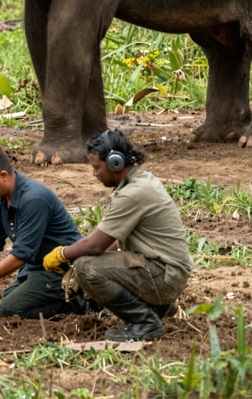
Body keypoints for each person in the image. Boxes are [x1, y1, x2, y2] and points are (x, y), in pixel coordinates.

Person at [43, 129, 194, 342]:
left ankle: (145, 323)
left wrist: (62, 254)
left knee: (87, 268)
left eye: (97, 167)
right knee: (87, 264)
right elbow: (111, 241)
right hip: (168, 271)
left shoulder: (132, 194)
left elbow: (95, 245)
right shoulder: (140, 180)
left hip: (164, 276)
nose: (94, 173)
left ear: (115, 162)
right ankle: (157, 309)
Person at [0, 143, 91, 319]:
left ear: (3, 176)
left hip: (62, 271)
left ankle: (84, 302)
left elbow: (21, 254)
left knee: (9, 310)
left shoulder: (34, 199)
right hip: (36, 268)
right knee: (9, 301)